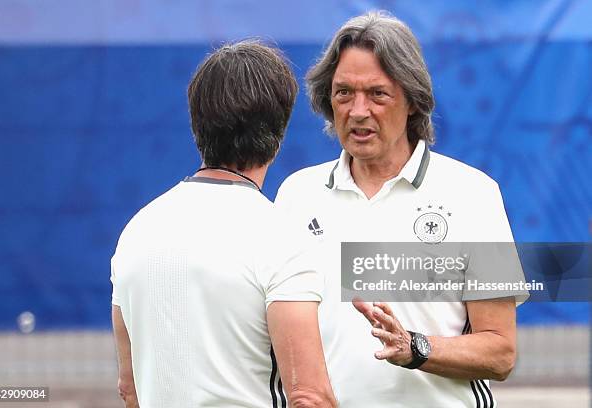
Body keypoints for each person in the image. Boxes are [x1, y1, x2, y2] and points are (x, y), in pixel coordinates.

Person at [275, 11, 528, 407]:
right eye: (343, 93)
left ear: (412, 100)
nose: (358, 111)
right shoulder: (296, 195)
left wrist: (416, 348)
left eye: (377, 94)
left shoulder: (474, 194)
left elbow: (500, 353)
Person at [111, 40, 337, 408]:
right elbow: (309, 397)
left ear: (197, 124)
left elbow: (129, 387)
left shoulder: (136, 231)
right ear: (278, 135)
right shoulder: (281, 238)